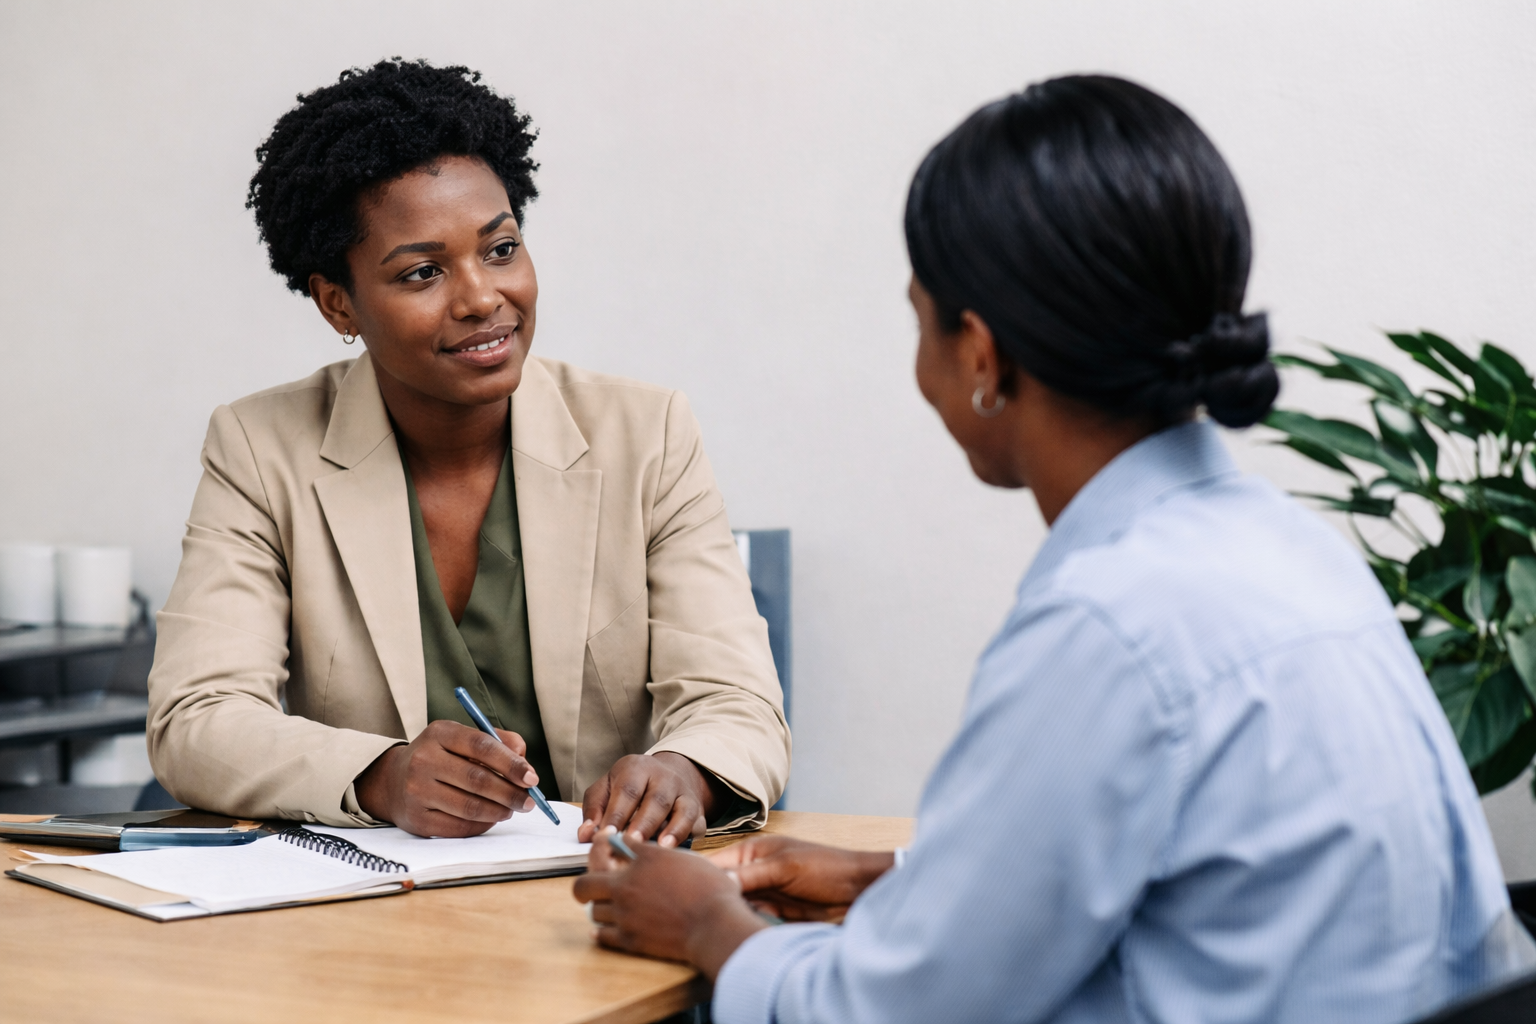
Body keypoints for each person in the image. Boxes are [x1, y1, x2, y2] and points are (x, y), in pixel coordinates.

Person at [573, 75, 1536, 1022]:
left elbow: (885, 1012)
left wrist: (706, 924)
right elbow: (1207, 876)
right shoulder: (1295, 553)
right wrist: (911, 879)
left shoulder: (1110, 625)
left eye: (921, 322)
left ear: (982, 356)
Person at [146, 59, 789, 843]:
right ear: (337, 301)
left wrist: (685, 770)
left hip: (602, 896)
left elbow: (738, 703)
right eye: (422, 271)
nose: (483, 298)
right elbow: (196, 718)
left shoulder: (645, 435)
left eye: (500, 249)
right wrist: (380, 775)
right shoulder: (261, 449)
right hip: (377, 916)